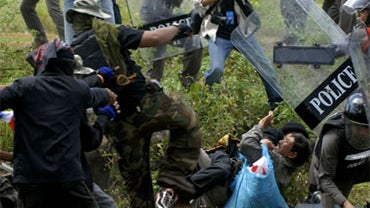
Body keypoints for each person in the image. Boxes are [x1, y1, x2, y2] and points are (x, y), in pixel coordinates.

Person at [66, 0, 201, 207]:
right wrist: (180, 28)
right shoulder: (111, 32)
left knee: (136, 183)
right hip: (147, 105)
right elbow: (154, 38)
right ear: (96, 16)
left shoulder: (71, 53)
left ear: (75, 21)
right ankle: (173, 177)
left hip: (116, 122)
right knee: (188, 120)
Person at [0, 39, 117, 208]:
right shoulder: (76, 90)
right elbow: (99, 95)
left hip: (31, 179)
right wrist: (105, 114)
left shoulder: (23, 87)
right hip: (68, 178)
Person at [193, 0, 283, 109]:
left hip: (242, 33)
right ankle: (208, 97)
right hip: (219, 34)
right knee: (216, 69)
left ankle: (276, 102)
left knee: (264, 64)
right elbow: (198, 4)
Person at [307, 92, 370, 208]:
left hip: (353, 169)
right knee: (329, 204)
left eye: (367, 128)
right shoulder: (333, 137)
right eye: (359, 128)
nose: (363, 133)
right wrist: (346, 204)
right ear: (348, 123)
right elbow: (325, 180)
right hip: (326, 177)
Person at [140, 0, 203, 89]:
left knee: (194, 42)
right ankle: (152, 84)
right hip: (153, 20)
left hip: (170, 17)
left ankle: (188, 81)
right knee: (156, 51)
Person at [240, 111, 311, 188]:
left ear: (292, 154)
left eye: (286, 141)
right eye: (282, 139)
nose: (280, 142)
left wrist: (260, 126)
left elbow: (246, 144)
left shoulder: (275, 161)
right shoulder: (286, 171)